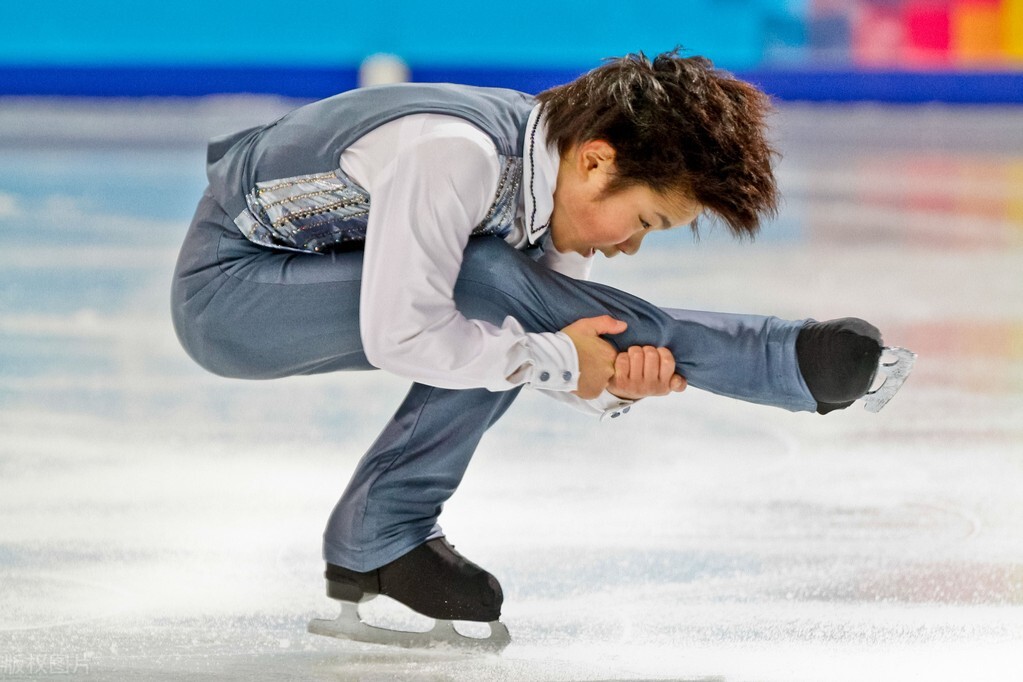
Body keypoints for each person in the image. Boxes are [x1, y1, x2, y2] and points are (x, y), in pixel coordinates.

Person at [170, 51, 905, 648]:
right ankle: (768, 358)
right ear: (595, 161)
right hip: (230, 298)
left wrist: (613, 381)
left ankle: (382, 537)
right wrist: (564, 358)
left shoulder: (544, 177)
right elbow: (405, 333)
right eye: (641, 220)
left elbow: (555, 338)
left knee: (502, 292)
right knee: (487, 278)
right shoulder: (452, 154)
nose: (627, 249)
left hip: (324, 284)